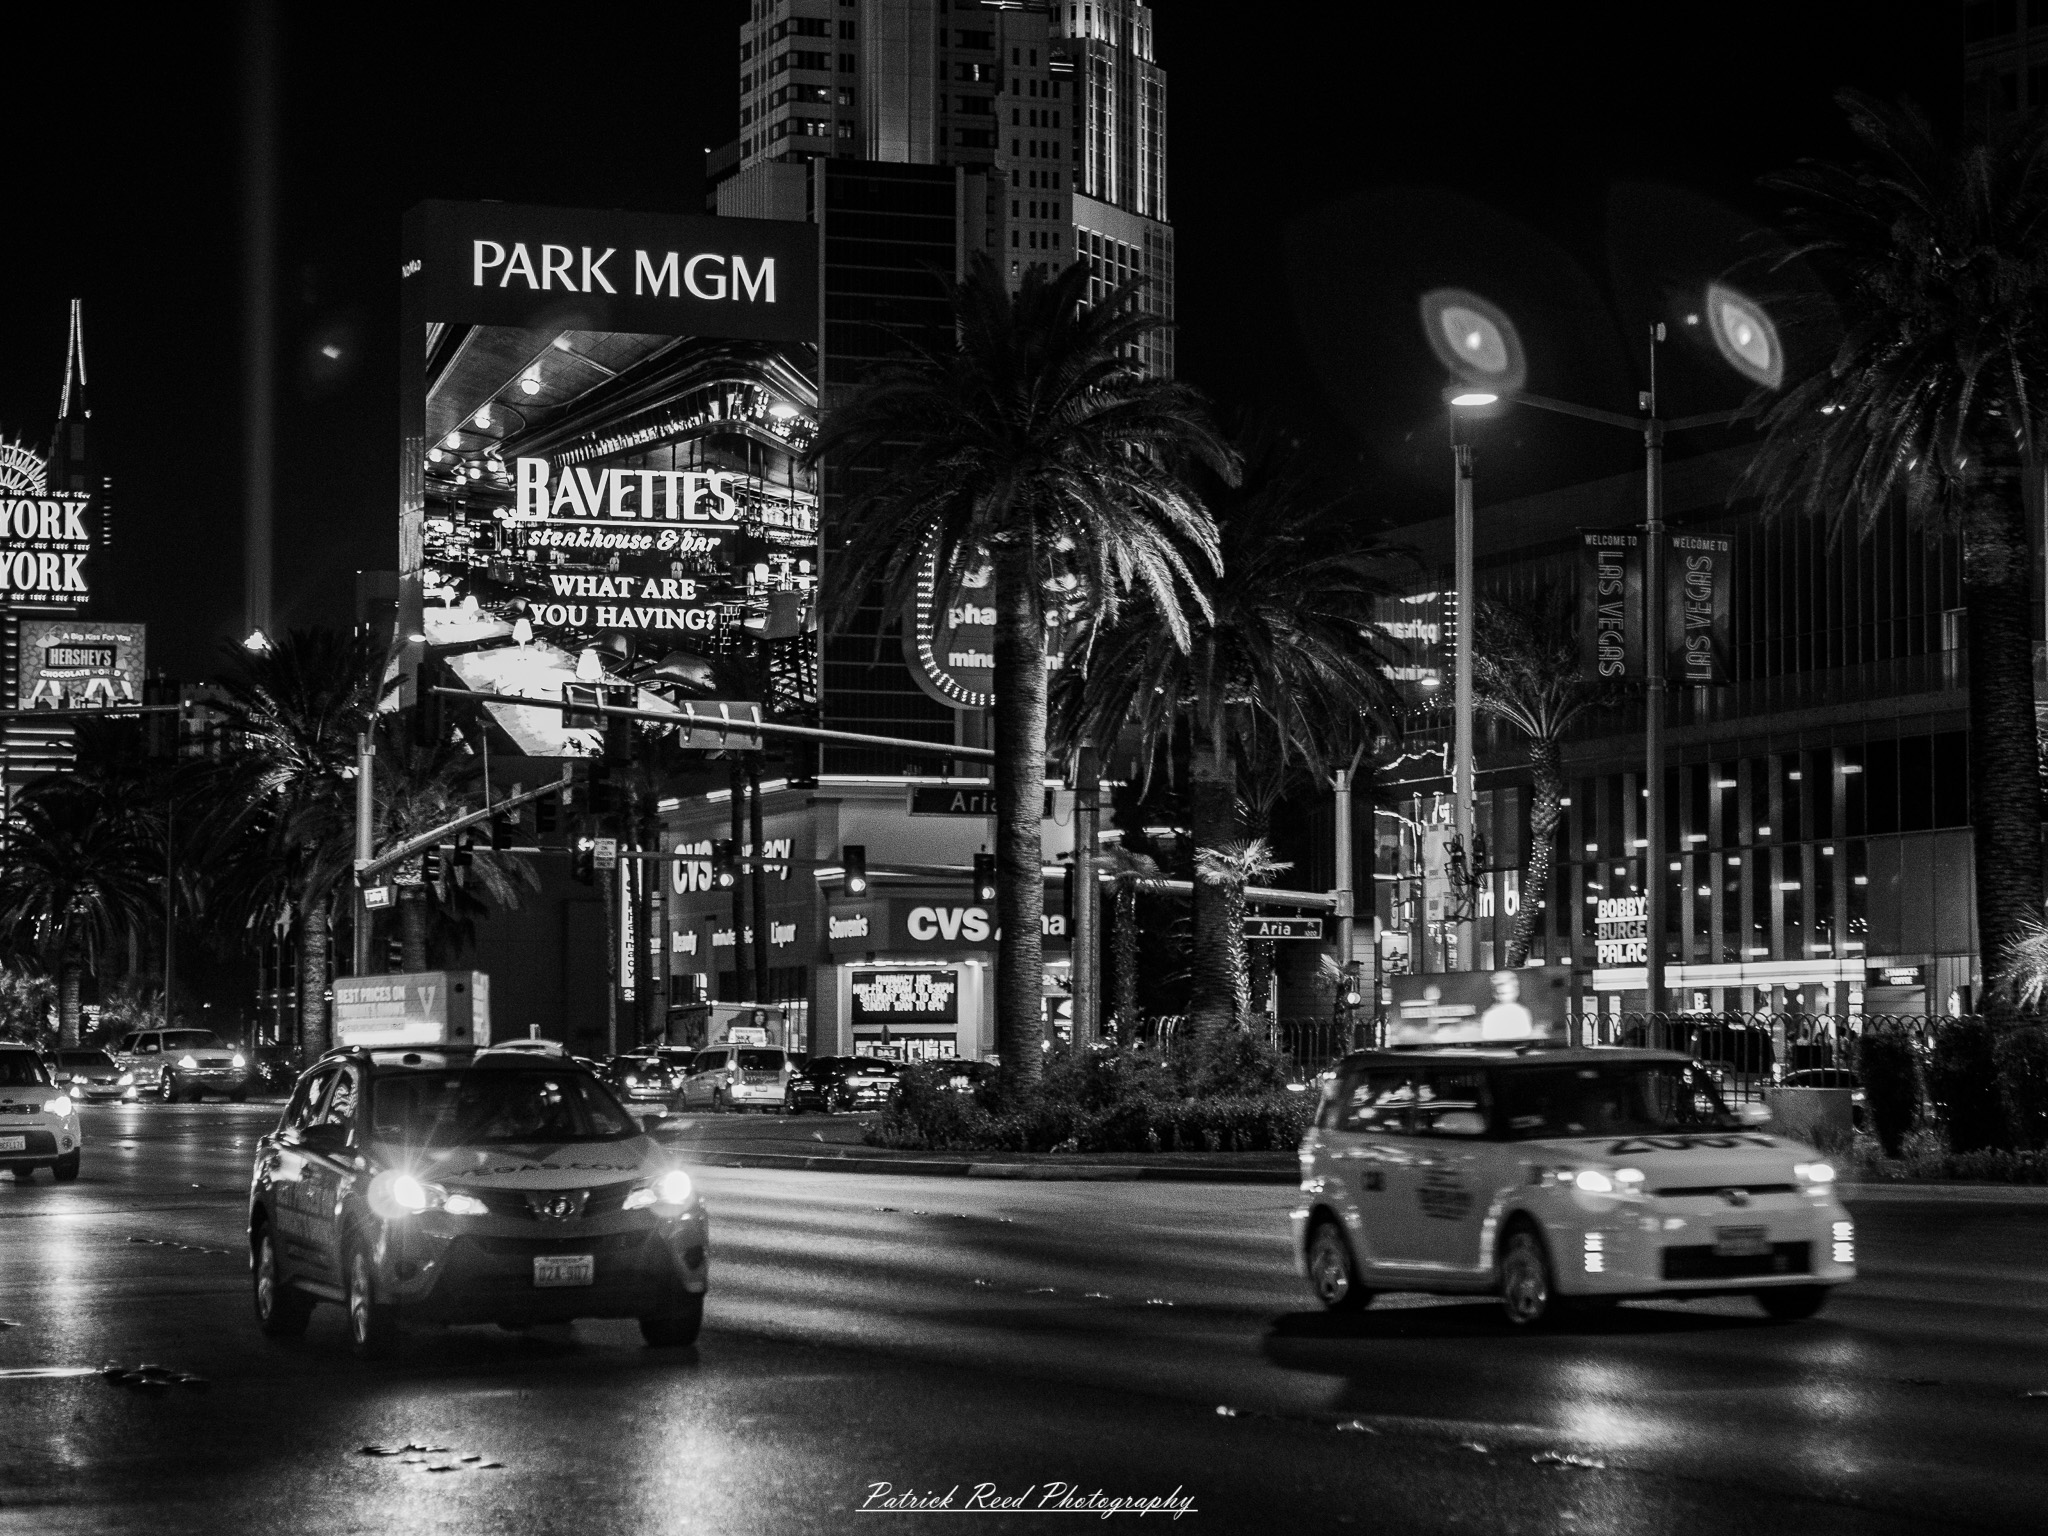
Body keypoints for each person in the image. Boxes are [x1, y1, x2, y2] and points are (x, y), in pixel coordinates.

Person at [1479, 970, 1536, 1041]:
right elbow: (1487, 1038)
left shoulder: (1521, 1013)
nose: (1504, 997)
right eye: (1502, 993)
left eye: (1508, 993)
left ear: (1516, 992)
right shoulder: (1490, 1015)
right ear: (1495, 994)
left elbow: (1526, 1036)